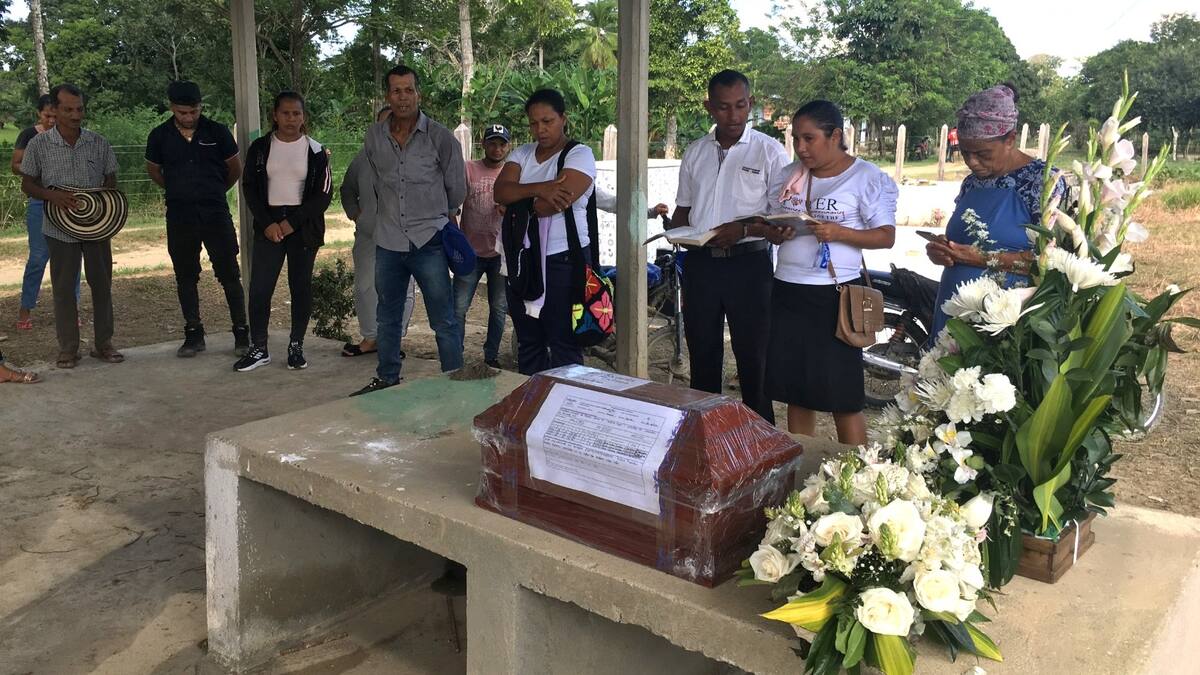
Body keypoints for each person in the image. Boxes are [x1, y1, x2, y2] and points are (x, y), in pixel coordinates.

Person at [764, 100, 898, 444]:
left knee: (843, 395)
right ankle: (801, 460)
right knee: (797, 390)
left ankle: (856, 467)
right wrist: (777, 232)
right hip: (788, 290)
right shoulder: (790, 175)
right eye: (796, 139)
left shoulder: (865, 178)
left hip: (834, 296)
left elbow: (886, 236)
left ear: (835, 136)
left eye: (809, 138)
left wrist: (840, 233)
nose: (801, 147)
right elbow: (771, 224)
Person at [669, 69, 789, 424]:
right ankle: (705, 437)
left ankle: (760, 440)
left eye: (740, 106)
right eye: (723, 107)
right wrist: (674, 231)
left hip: (748, 267)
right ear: (709, 107)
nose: (733, 115)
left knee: (754, 360)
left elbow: (781, 217)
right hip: (701, 265)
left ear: (751, 103)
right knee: (703, 356)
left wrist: (744, 229)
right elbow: (683, 210)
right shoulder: (695, 152)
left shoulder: (770, 151)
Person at [351, 65, 467, 397]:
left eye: (408, 90)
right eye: (396, 91)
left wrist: (436, 217)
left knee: (442, 319)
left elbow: (457, 190)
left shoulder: (440, 138)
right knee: (386, 316)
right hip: (388, 241)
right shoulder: (374, 136)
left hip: (429, 240)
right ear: (387, 96)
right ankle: (387, 378)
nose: (403, 97)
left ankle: (455, 383)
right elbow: (377, 182)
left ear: (419, 94)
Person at [925, 84, 1066, 340]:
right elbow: (961, 241)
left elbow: (1057, 262)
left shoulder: (1043, 182)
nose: (972, 162)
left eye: (982, 153)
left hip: (1007, 322)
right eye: (965, 152)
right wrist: (942, 251)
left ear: (1010, 139)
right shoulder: (972, 183)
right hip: (954, 311)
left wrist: (980, 258)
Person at [494, 89, 597, 375]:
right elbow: (500, 191)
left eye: (547, 121)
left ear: (563, 118)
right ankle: (532, 398)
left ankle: (567, 401)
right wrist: (542, 187)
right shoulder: (522, 153)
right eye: (533, 123)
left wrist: (517, 202)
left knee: (563, 342)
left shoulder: (579, 154)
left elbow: (550, 206)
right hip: (521, 259)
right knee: (528, 341)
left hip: (563, 260)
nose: (540, 129)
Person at [20, 84, 123, 369]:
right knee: (64, 288)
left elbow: (111, 178)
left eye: (79, 109)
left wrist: (101, 203)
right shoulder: (39, 145)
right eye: (68, 110)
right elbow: (27, 184)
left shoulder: (98, 143)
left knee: (102, 284)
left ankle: (104, 344)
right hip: (58, 227)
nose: (75, 115)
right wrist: (52, 196)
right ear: (54, 110)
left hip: (96, 226)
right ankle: (68, 348)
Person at [145, 81, 249, 358]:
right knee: (186, 275)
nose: (189, 117)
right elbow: (154, 170)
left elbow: (234, 169)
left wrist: (213, 191)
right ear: (172, 108)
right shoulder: (159, 136)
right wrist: (177, 190)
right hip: (180, 216)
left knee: (229, 273)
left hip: (215, 213)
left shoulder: (218, 131)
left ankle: (241, 332)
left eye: (194, 111)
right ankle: (193, 333)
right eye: (183, 112)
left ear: (201, 107)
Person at [235, 91, 333, 372]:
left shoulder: (316, 150)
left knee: (300, 287)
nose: (291, 119)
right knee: (260, 288)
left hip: (302, 226)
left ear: (304, 117)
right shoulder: (260, 148)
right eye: (285, 113)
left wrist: (293, 222)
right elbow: (250, 187)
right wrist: (268, 223)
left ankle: (296, 346)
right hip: (269, 225)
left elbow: (324, 194)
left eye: (296, 114)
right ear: (275, 116)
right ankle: (259, 348)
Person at [340, 106, 417, 360]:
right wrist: (356, 215)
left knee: (403, 290)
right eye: (384, 124)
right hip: (369, 235)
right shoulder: (363, 157)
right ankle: (371, 337)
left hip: (405, 237)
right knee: (365, 286)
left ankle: (392, 339)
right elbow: (347, 189)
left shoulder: (418, 156)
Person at [11, 94, 80, 331]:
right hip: (40, 202)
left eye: (54, 116)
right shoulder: (29, 135)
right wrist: (38, 170)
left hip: (67, 203)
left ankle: (71, 310)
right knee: (38, 257)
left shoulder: (69, 135)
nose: (51, 120)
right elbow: (15, 164)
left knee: (72, 258)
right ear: (39, 113)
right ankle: (25, 309)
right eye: (47, 115)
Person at [453, 123, 511, 368]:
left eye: (502, 144)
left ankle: (491, 356)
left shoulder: (512, 173)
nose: (497, 149)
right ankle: (455, 355)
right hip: (470, 252)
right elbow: (454, 203)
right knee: (458, 307)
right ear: (483, 144)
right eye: (492, 143)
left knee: (498, 308)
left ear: (508, 147)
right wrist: (455, 235)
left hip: (500, 252)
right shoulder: (468, 169)